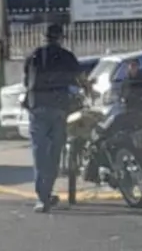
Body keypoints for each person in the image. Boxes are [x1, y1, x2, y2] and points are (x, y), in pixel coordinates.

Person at [23, 23, 83, 212]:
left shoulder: (33, 56)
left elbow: (26, 81)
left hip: (37, 107)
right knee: (55, 153)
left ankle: (42, 197)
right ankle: (46, 192)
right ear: (61, 37)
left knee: (39, 153)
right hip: (58, 109)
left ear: (44, 37)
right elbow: (80, 79)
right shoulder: (67, 56)